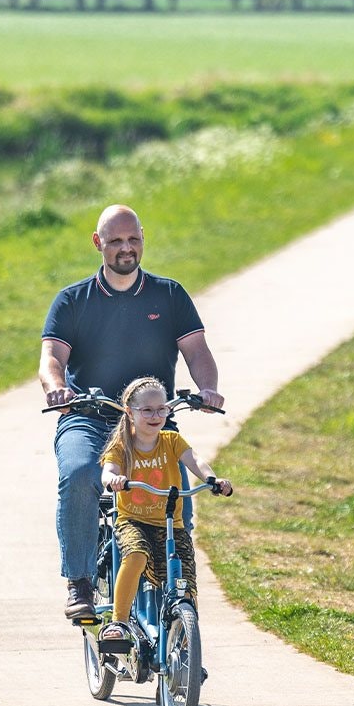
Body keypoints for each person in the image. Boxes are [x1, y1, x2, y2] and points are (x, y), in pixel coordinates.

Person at [40, 204, 225, 620]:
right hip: (88, 417)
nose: (126, 249)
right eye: (116, 241)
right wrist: (56, 389)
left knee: (177, 504)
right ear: (97, 243)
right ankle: (81, 581)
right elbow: (51, 356)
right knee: (80, 474)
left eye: (133, 239)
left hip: (151, 421)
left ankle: (177, 605)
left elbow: (197, 351)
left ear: (143, 238)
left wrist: (208, 389)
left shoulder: (169, 295)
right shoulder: (73, 300)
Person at [98, 376, 233, 641]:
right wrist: (113, 480)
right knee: (136, 555)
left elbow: (194, 459)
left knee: (184, 577)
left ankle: (185, 640)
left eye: (161, 409)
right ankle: (120, 622)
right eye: (146, 410)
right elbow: (108, 470)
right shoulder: (122, 446)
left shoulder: (171, 440)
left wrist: (212, 480)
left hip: (170, 522)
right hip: (133, 520)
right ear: (130, 412)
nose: (155, 415)